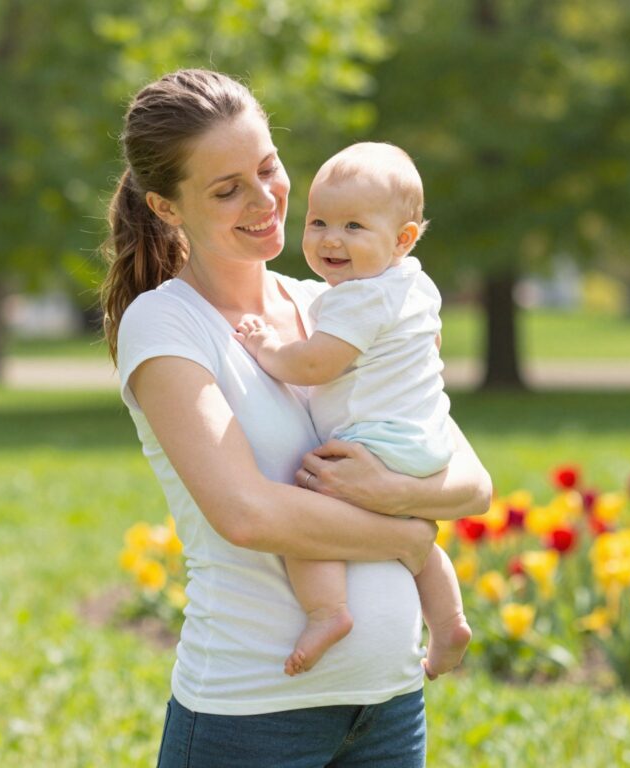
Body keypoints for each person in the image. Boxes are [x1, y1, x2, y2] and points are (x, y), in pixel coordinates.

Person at [100, 69, 491, 768]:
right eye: (227, 190)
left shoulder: (339, 304)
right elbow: (250, 515)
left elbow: (471, 484)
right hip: (252, 717)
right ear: (165, 206)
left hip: (390, 708)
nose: (265, 199)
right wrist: (406, 538)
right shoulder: (165, 327)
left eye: (268, 167)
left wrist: (400, 500)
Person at [233, 142, 471, 680]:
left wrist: (267, 347)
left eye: (355, 227)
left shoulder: (360, 297)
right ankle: (450, 621)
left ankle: (327, 611)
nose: (331, 239)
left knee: (305, 512)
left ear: (402, 240)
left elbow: (317, 363)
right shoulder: (413, 283)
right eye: (319, 222)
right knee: (408, 529)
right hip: (424, 440)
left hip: (377, 441)